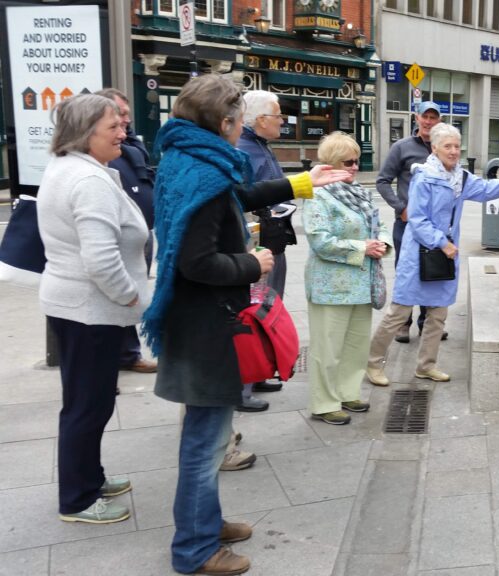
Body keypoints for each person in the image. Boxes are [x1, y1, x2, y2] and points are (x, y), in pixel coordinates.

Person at [142, 74, 348, 576]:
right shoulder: (206, 174)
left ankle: (205, 523)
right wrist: (251, 266)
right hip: (206, 327)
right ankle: (195, 549)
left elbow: (236, 198)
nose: (240, 130)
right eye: (238, 121)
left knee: (208, 434)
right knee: (205, 441)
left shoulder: (188, 158)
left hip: (196, 323)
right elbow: (198, 262)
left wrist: (301, 181)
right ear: (228, 123)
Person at [37, 94, 148, 523]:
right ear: (85, 134)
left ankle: (89, 476)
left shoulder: (74, 169)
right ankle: (79, 499)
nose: (123, 132)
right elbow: (100, 258)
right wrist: (129, 295)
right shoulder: (88, 181)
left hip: (78, 307)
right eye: (113, 127)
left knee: (86, 401)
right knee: (88, 405)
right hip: (91, 310)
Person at [366, 123, 499, 385]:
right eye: (448, 146)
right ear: (434, 148)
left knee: (438, 315)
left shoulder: (461, 177)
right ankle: (373, 365)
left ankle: (426, 366)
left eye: (457, 146)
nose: (454, 151)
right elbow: (418, 220)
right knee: (398, 313)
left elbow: (486, 190)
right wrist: (442, 243)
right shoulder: (423, 177)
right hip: (420, 253)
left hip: (445, 255)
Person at [305, 132, 392, 424]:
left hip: (361, 282)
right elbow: (319, 241)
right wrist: (362, 247)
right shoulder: (318, 194)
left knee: (355, 344)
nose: (356, 167)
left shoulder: (361, 193)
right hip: (330, 284)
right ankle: (324, 403)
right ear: (330, 165)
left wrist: (381, 243)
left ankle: (347, 392)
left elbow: (378, 225)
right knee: (327, 348)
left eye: (356, 161)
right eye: (349, 162)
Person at [96, 88, 159, 375]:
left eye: (126, 116)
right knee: (119, 297)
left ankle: (125, 353)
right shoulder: (102, 153)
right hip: (120, 238)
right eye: (119, 116)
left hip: (141, 234)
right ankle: (116, 358)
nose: (125, 123)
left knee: (131, 294)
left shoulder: (132, 144)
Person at [235, 89, 290, 411]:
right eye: (278, 114)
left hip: (272, 239)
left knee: (268, 308)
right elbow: (246, 197)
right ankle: (241, 389)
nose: (282, 120)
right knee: (255, 310)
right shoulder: (244, 150)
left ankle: (256, 374)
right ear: (260, 120)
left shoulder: (258, 146)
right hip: (257, 244)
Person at [376, 101, 443, 343]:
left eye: (433, 118)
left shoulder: (442, 148)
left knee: (432, 271)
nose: (428, 121)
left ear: (439, 121)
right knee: (407, 272)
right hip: (406, 225)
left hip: (434, 225)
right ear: (417, 118)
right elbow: (382, 181)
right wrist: (400, 207)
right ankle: (404, 323)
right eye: (425, 117)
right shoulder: (401, 147)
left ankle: (427, 322)